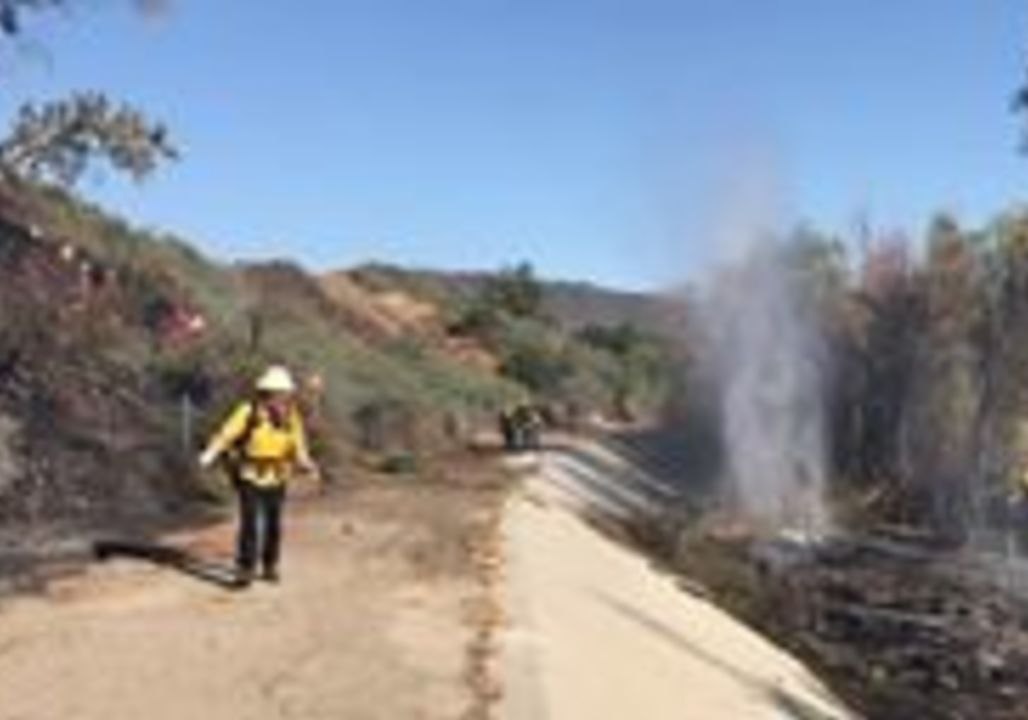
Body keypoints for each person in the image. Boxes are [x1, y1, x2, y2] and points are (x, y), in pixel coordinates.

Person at [199, 365, 317, 585]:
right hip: (249, 474)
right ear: (266, 393)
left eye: (283, 393)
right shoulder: (248, 411)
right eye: (276, 393)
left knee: (273, 523)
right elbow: (227, 433)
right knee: (250, 522)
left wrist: (306, 463)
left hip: (278, 475)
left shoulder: (291, 416)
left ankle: (270, 565)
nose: (280, 398)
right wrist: (210, 453)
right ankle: (245, 568)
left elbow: (298, 443)